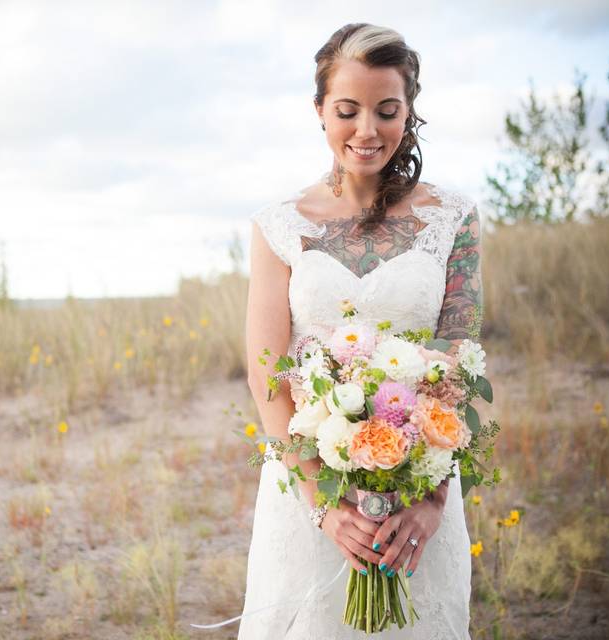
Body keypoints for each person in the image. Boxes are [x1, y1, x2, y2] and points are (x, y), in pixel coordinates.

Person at [239, 22, 482, 639]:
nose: (368, 130)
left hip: (420, 487)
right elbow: (268, 377)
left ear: (409, 112)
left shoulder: (453, 219)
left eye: (387, 110)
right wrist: (324, 506)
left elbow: (459, 355)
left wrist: (430, 501)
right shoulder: (279, 226)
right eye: (347, 110)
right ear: (320, 110)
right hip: (310, 492)